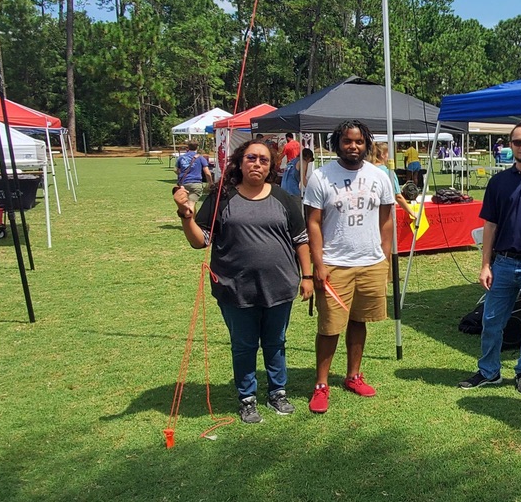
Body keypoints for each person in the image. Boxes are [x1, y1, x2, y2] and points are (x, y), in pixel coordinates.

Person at [174, 139, 313, 424]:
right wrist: (185, 216)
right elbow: (201, 241)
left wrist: (307, 276)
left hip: (280, 285)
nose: (257, 164)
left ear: (271, 166)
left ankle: (278, 392)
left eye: (264, 160)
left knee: (276, 342)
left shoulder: (283, 198)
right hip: (234, 287)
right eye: (252, 158)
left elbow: (301, 241)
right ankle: (247, 398)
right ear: (240, 161)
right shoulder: (222, 197)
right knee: (244, 344)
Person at [458, 123, 521, 395]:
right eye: (518, 142)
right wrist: (485, 265)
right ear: (511, 146)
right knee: (492, 319)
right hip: (503, 263)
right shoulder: (498, 182)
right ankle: (489, 371)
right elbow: (490, 227)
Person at [303, 120, 395, 414]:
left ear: (367, 144)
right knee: (330, 328)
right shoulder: (321, 176)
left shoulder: (379, 177)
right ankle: (320, 385)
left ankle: (353, 376)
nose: (353, 147)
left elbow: (386, 219)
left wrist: (385, 255)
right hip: (334, 264)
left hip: (370, 263)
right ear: (337, 143)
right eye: (347, 141)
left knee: (359, 321)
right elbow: (313, 223)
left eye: (358, 142)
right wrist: (318, 264)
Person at [371, 142, 417, 223]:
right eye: (388, 153)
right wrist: (412, 212)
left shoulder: (366, 170)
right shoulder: (388, 172)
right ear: (383, 155)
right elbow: (398, 196)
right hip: (383, 215)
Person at [175, 141, 211, 211]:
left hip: (184, 184)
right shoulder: (200, 158)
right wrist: (210, 182)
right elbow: (207, 173)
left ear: (188, 147)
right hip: (196, 183)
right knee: (191, 204)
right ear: (197, 147)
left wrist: (181, 175)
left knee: (187, 204)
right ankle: (189, 220)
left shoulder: (181, 157)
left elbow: (175, 170)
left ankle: (191, 220)